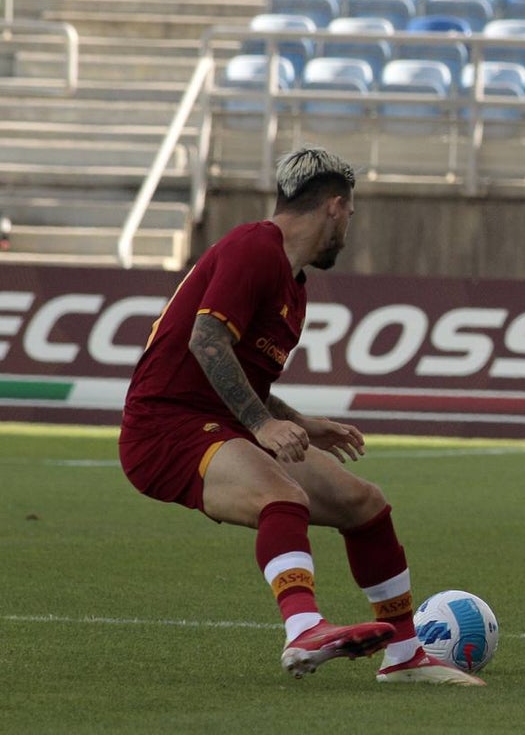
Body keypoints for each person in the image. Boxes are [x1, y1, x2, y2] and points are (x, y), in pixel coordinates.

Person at [119, 147, 483, 686]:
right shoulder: (254, 248)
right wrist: (265, 427)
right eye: (351, 216)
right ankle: (303, 629)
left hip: (221, 422)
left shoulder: (293, 282)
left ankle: (405, 656)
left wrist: (298, 419)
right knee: (283, 495)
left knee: (365, 504)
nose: (349, 229)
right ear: (335, 207)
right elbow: (207, 339)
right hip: (165, 428)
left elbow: (243, 375)